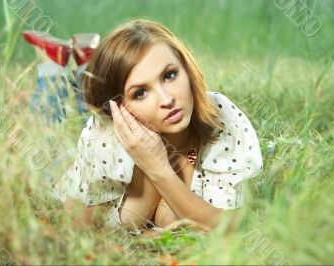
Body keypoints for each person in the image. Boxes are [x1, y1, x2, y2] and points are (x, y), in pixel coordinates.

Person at [52, 18, 263, 236]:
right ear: (121, 108)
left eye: (170, 75)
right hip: (70, 163)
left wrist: (158, 168)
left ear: (187, 68)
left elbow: (227, 227)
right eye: (140, 93)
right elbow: (78, 227)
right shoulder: (104, 133)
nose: (166, 99)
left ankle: (81, 63)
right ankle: (54, 68)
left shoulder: (222, 118)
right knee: (56, 120)